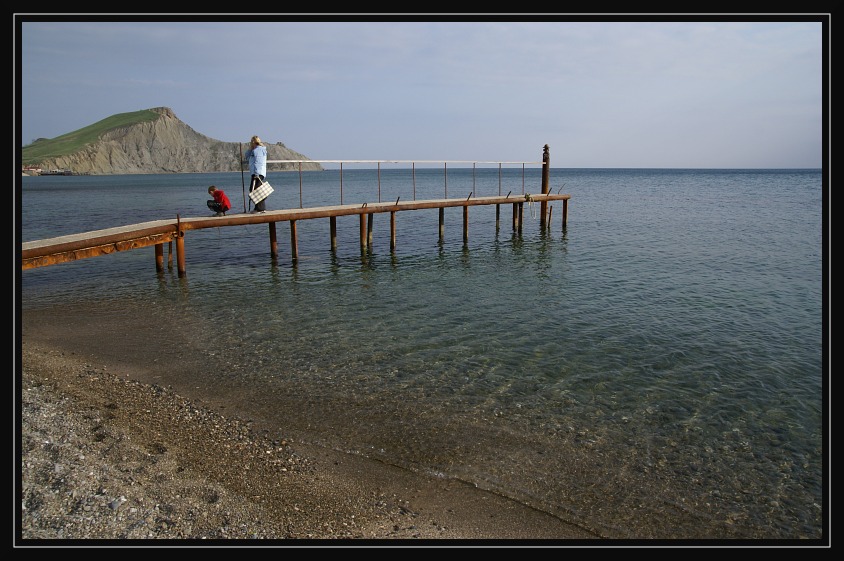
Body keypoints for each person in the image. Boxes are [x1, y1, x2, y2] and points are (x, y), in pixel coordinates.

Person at [243, 135, 269, 213]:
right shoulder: (256, 150)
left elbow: (258, 161)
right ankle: (260, 208)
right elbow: (247, 156)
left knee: (254, 190)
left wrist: (256, 173)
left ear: (253, 142)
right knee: (257, 190)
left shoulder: (258, 150)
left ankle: (259, 208)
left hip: (257, 172)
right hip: (257, 172)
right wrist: (251, 149)